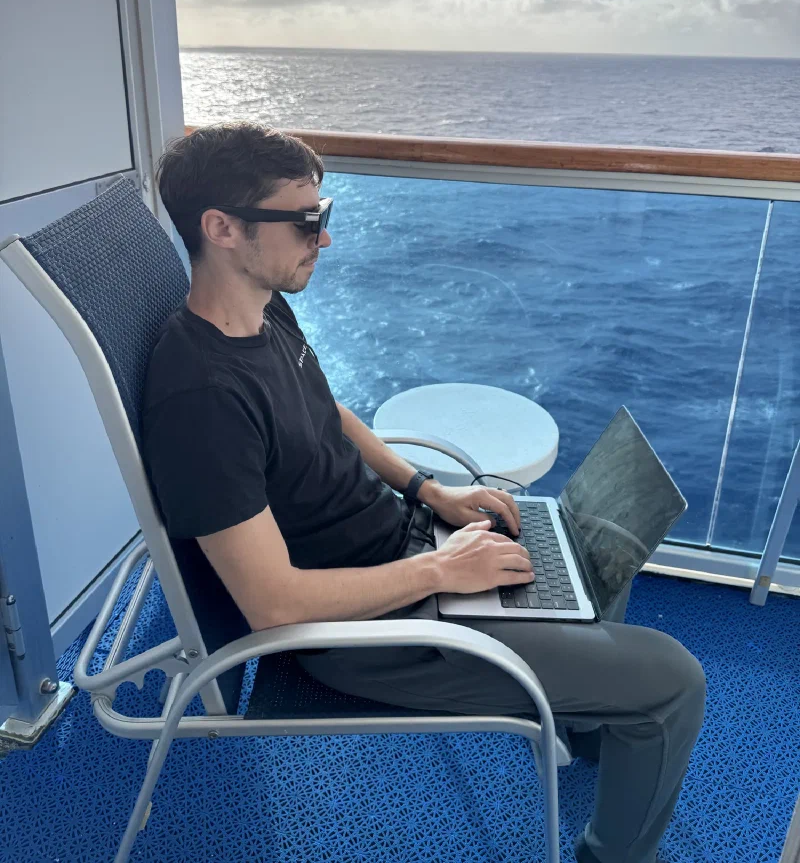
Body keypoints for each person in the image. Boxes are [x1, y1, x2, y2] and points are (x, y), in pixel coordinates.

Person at [142, 122, 706, 863]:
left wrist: (429, 491)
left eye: (326, 215)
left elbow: (327, 411)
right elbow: (274, 605)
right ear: (221, 228)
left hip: (408, 547)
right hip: (369, 631)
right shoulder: (203, 397)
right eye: (306, 221)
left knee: (585, 549)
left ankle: (592, 724)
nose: (325, 238)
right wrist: (442, 571)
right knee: (674, 680)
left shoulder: (260, 306)